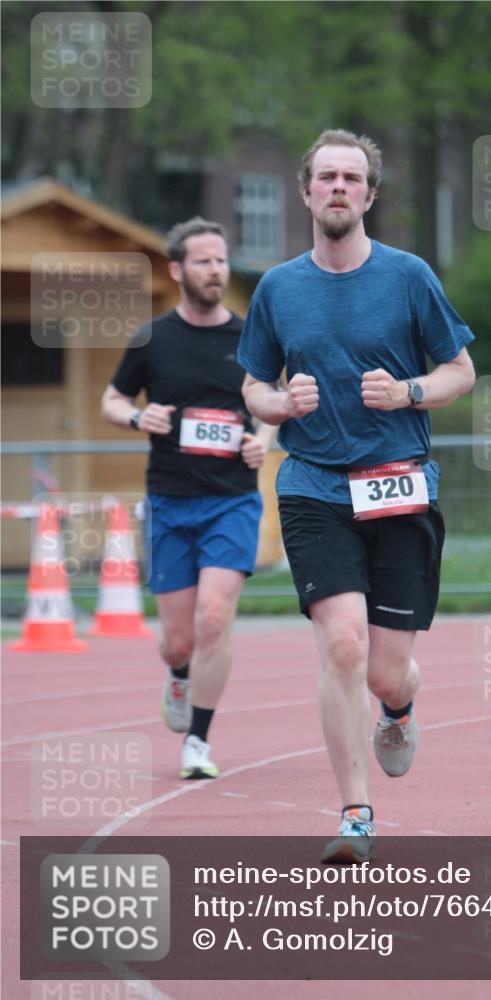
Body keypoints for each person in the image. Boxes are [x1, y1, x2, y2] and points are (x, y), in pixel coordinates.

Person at [237, 129, 475, 862]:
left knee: (382, 668)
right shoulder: (278, 288)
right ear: (306, 192)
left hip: (397, 485)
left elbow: (459, 371)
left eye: (352, 178)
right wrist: (277, 405)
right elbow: (250, 384)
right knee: (341, 644)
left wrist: (408, 390)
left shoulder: (408, 277)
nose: (338, 187)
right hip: (313, 486)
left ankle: (398, 708)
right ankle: (355, 812)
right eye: (326, 177)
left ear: (368, 196)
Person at [101, 217, 274, 780]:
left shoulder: (249, 338)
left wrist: (263, 439)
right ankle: (178, 674)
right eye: (204, 261)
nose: (216, 270)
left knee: (215, 616)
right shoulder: (154, 338)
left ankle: (198, 740)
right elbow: (112, 398)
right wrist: (135, 416)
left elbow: (272, 404)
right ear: (177, 270)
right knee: (177, 640)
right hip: (171, 501)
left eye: (221, 260)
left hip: (232, 501)